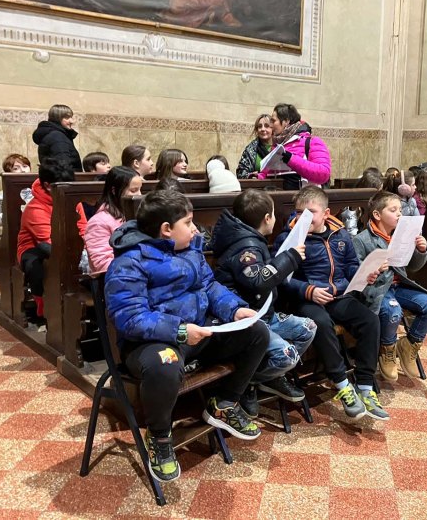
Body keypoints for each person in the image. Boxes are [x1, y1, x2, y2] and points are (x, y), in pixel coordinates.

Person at [105, 190, 269, 482]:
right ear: (166, 229)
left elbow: (209, 286)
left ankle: (224, 403)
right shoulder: (130, 261)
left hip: (197, 331)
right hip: (151, 342)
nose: (196, 229)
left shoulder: (190, 249)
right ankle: (159, 436)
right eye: (189, 222)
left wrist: (234, 309)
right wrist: (179, 331)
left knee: (256, 332)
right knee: (165, 364)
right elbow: (130, 318)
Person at [273, 186, 388, 421]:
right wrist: (309, 290)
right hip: (306, 300)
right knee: (322, 323)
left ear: (326, 214)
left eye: (310, 213)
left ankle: (365, 386)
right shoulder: (289, 238)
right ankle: (343, 384)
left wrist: (364, 274)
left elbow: (351, 266)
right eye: (299, 213)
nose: (303, 218)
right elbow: (281, 278)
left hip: (338, 296)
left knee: (370, 320)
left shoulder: (340, 234)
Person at [212, 189, 317, 417]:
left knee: (308, 328)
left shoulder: (251, 239)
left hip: (265, 313)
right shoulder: (245, 246)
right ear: (267, 218)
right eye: (274, 214)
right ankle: (247, 382)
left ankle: (266, 377)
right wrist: (290, 257)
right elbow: (258, 282)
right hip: (249, 321)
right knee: (287, 355)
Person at [354, 191, 427, 380]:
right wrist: (374, 269)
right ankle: (387, 348)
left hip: (399, 286)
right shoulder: (361, 239)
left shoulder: (400, 235)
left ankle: (409, 344)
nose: (399, 214)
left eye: (400, 210)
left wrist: (421, 250)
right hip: (377, 289)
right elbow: (355, 273)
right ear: (377, 215)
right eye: (393, 210)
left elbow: (413, 266)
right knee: (393, 311)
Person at [16, 159, 75, 327]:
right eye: (64, 185)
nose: (69, 188)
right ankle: (43, 307)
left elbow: (83, 226)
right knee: (37, 265)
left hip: (68, 244)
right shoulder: (35, 208)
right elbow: (47, 240)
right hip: (34, 247)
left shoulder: (70, 198)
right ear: (48, 185)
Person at [257, 103, 331, 190]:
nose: (271, 125)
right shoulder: (277, 145)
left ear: (286, 121)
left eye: (273, 121)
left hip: (304, 197)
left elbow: (324, 174)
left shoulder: (312, 142)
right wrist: (259, 176)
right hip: (279, 197)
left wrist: (291, 159)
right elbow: (270, 173)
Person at [83, 167, 142, 275]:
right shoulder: (98, 222)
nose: (139, 195)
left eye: (140, 189)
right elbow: (102, 264)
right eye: (133, 191)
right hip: (117, 277)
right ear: (114, 190)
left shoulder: (140, 215)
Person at [0, 153, 32, 227]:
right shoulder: (4, 194)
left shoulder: (39, 189)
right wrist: (9, 216)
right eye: (16, 168)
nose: (23, 170)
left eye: (25, 166)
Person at [33, 104, 83, 172]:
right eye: (67, 118)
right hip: (67, 178)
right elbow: (64, 166)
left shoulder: (54, 134)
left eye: (71, 117)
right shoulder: (57, 136)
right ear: (57, 118)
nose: (71, 121)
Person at [236, 114, 274, 178]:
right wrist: (251, 175)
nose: (263, 129)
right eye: (260, 126)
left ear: (273, 129)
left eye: (266, 126)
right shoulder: (250, 149)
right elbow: (240, 172)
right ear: (257, 130)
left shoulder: (280, 147)